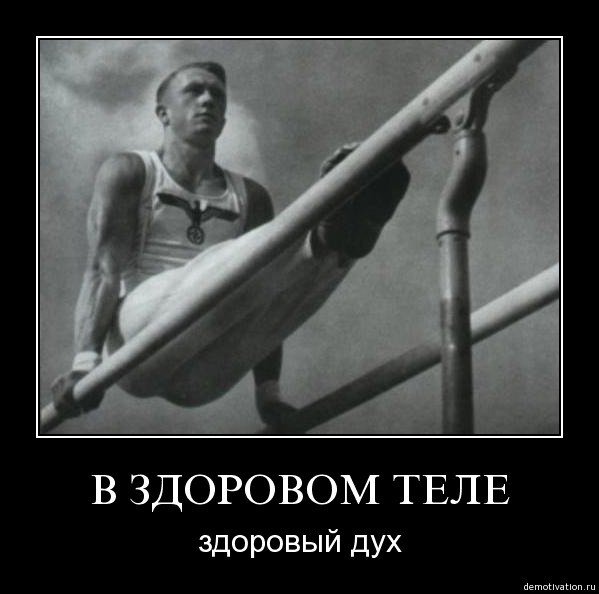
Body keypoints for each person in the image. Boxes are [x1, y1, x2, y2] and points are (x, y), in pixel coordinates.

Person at [51, 61, 410, 430]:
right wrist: (85, 365)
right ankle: (324, 221)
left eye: (217, 96)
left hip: (204, 379)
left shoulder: (251, 196)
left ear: (223, 121)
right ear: (163, 113)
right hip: (136, 341)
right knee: (269, 250)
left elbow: (268, 300)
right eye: (194, 91)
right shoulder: (130, 170)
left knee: (289, 271)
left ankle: (341, 241)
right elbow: (102, 269)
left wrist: (269, 396)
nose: (207, 100)